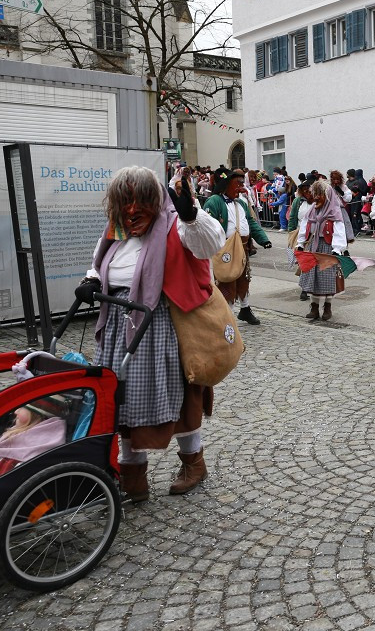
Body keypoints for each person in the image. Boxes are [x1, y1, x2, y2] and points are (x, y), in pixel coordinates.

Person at [79, 166, 225, 500]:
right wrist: (92, 280)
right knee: (121, 397)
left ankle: (194, 462)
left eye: (140, 200)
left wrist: (190, 215)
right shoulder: (116, 229)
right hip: (118, 321)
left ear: (155, 200)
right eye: (124, 201)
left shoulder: (175, 222)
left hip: (161, 320)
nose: (132, 210)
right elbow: (101, 260)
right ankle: (133, 479)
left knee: (178, 393)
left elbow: (207, 245)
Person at [203, 167, 272, 326]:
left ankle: (245, 309)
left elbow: (251, 222)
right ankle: (227, 315)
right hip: (226, 248)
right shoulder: (214, 201)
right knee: (228, 279)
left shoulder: (240, 202)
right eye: (237, 185)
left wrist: (263, 239)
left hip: (242, 247)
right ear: (225, 185)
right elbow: (207, 225)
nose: (241, 189)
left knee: (244, 277)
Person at [0, 396, 68, 490]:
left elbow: (6, 484)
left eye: (22, 407)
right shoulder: (22, 434)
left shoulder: (32, 448)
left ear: (37, 414)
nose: (15, 411)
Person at [297, 179, 347, 322]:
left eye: (320, 194)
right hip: (313, 246)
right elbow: (305, 227)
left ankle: (327, 306)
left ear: (328, 196)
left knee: (327, 278)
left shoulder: (334, 212)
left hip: (328, 248)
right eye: (315, 194)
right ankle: (314, 307)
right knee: (312, 278)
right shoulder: (312, 210)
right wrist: (300, 243)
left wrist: (337, 249)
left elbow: (339, 231)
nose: (317, 197)